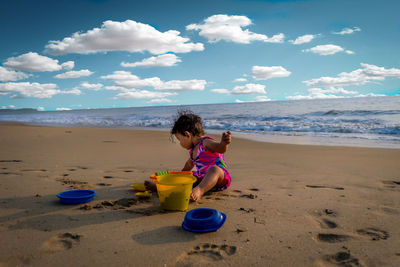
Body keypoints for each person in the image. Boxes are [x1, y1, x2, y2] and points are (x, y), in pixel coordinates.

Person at [145, 111, 232, 201]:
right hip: (203, 177)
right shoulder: (192, 151)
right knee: (190, 176)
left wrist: (224, 143)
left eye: (179, 139)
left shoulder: (205, 142)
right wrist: (179, 177)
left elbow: (220, 149)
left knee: (214, 169)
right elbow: (188, 165)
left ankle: (199, 190)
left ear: (187, 134)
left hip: (220, 177)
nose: (180, 143)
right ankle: (162, 188)